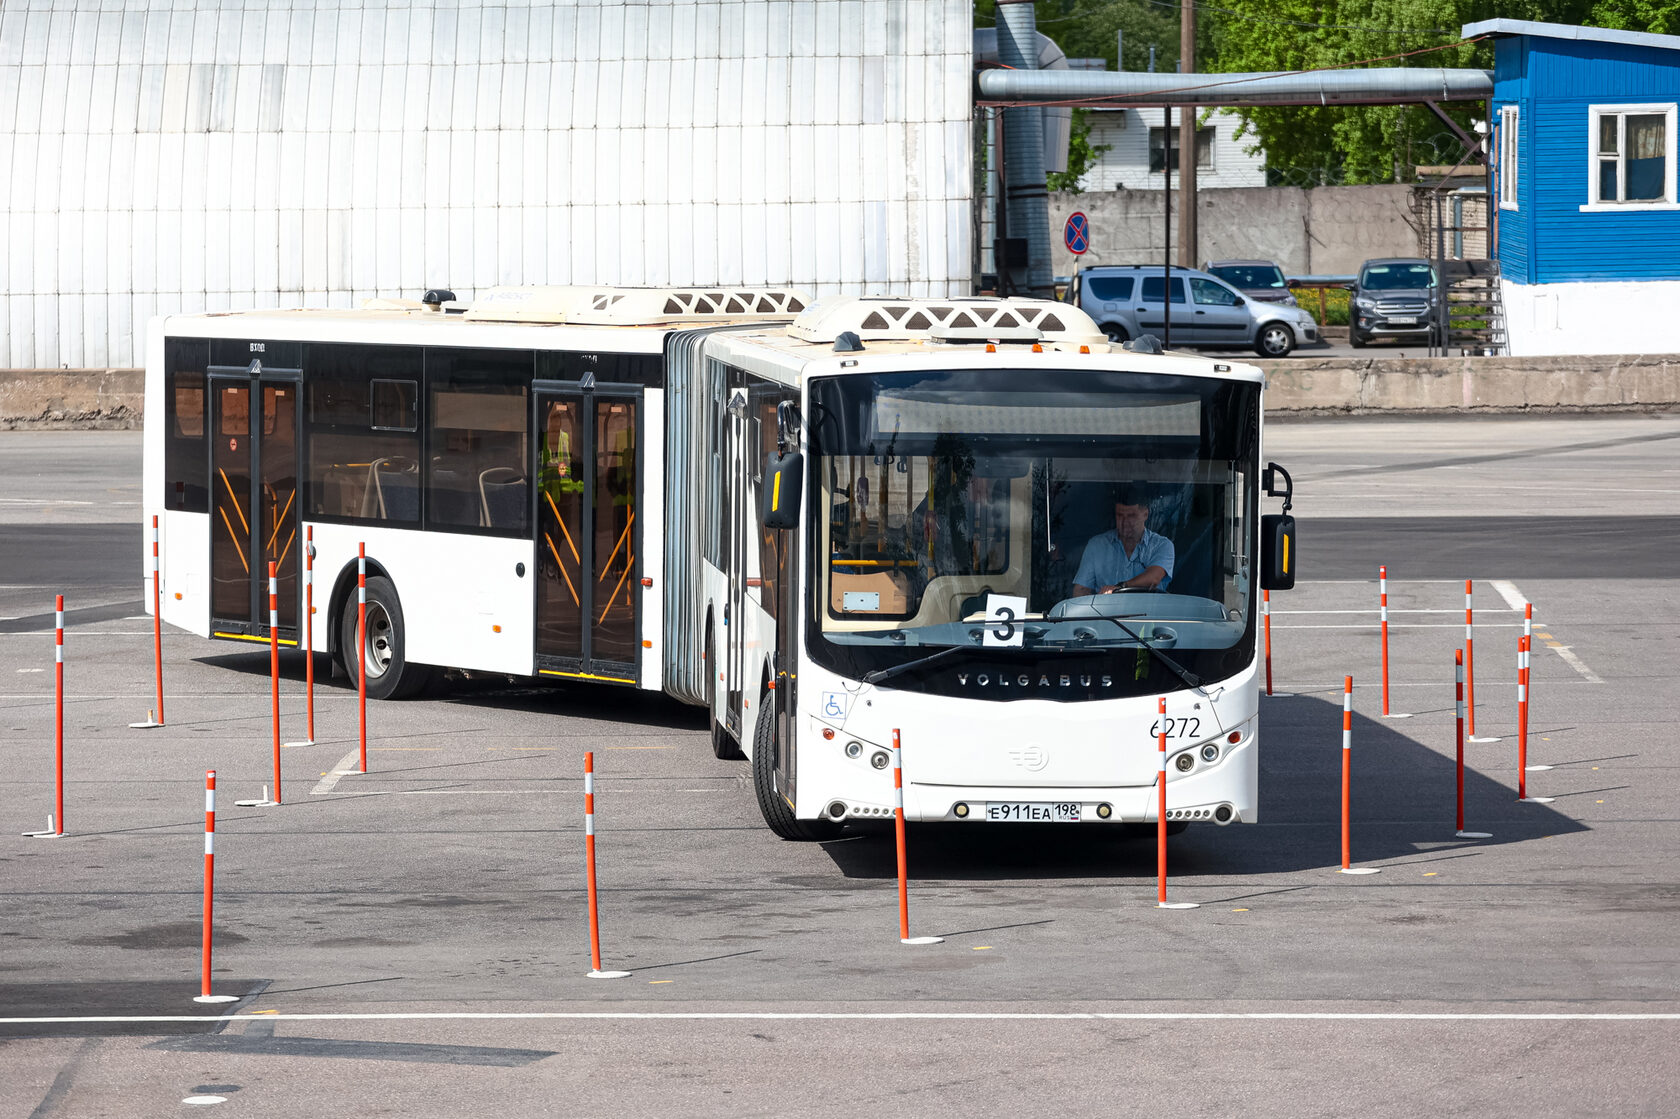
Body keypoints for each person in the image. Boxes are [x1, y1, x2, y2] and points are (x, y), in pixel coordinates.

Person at [1071, 486, 1174, 596]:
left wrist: (1119, 587)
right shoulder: (1097, 546)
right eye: (1120, 515)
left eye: (1131, 515)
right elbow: (1081, 590)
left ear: (1145, 514)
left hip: (1150, 613)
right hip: (1106, 612)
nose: (1125, 522)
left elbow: (1154, 577)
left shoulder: (1162, 545)